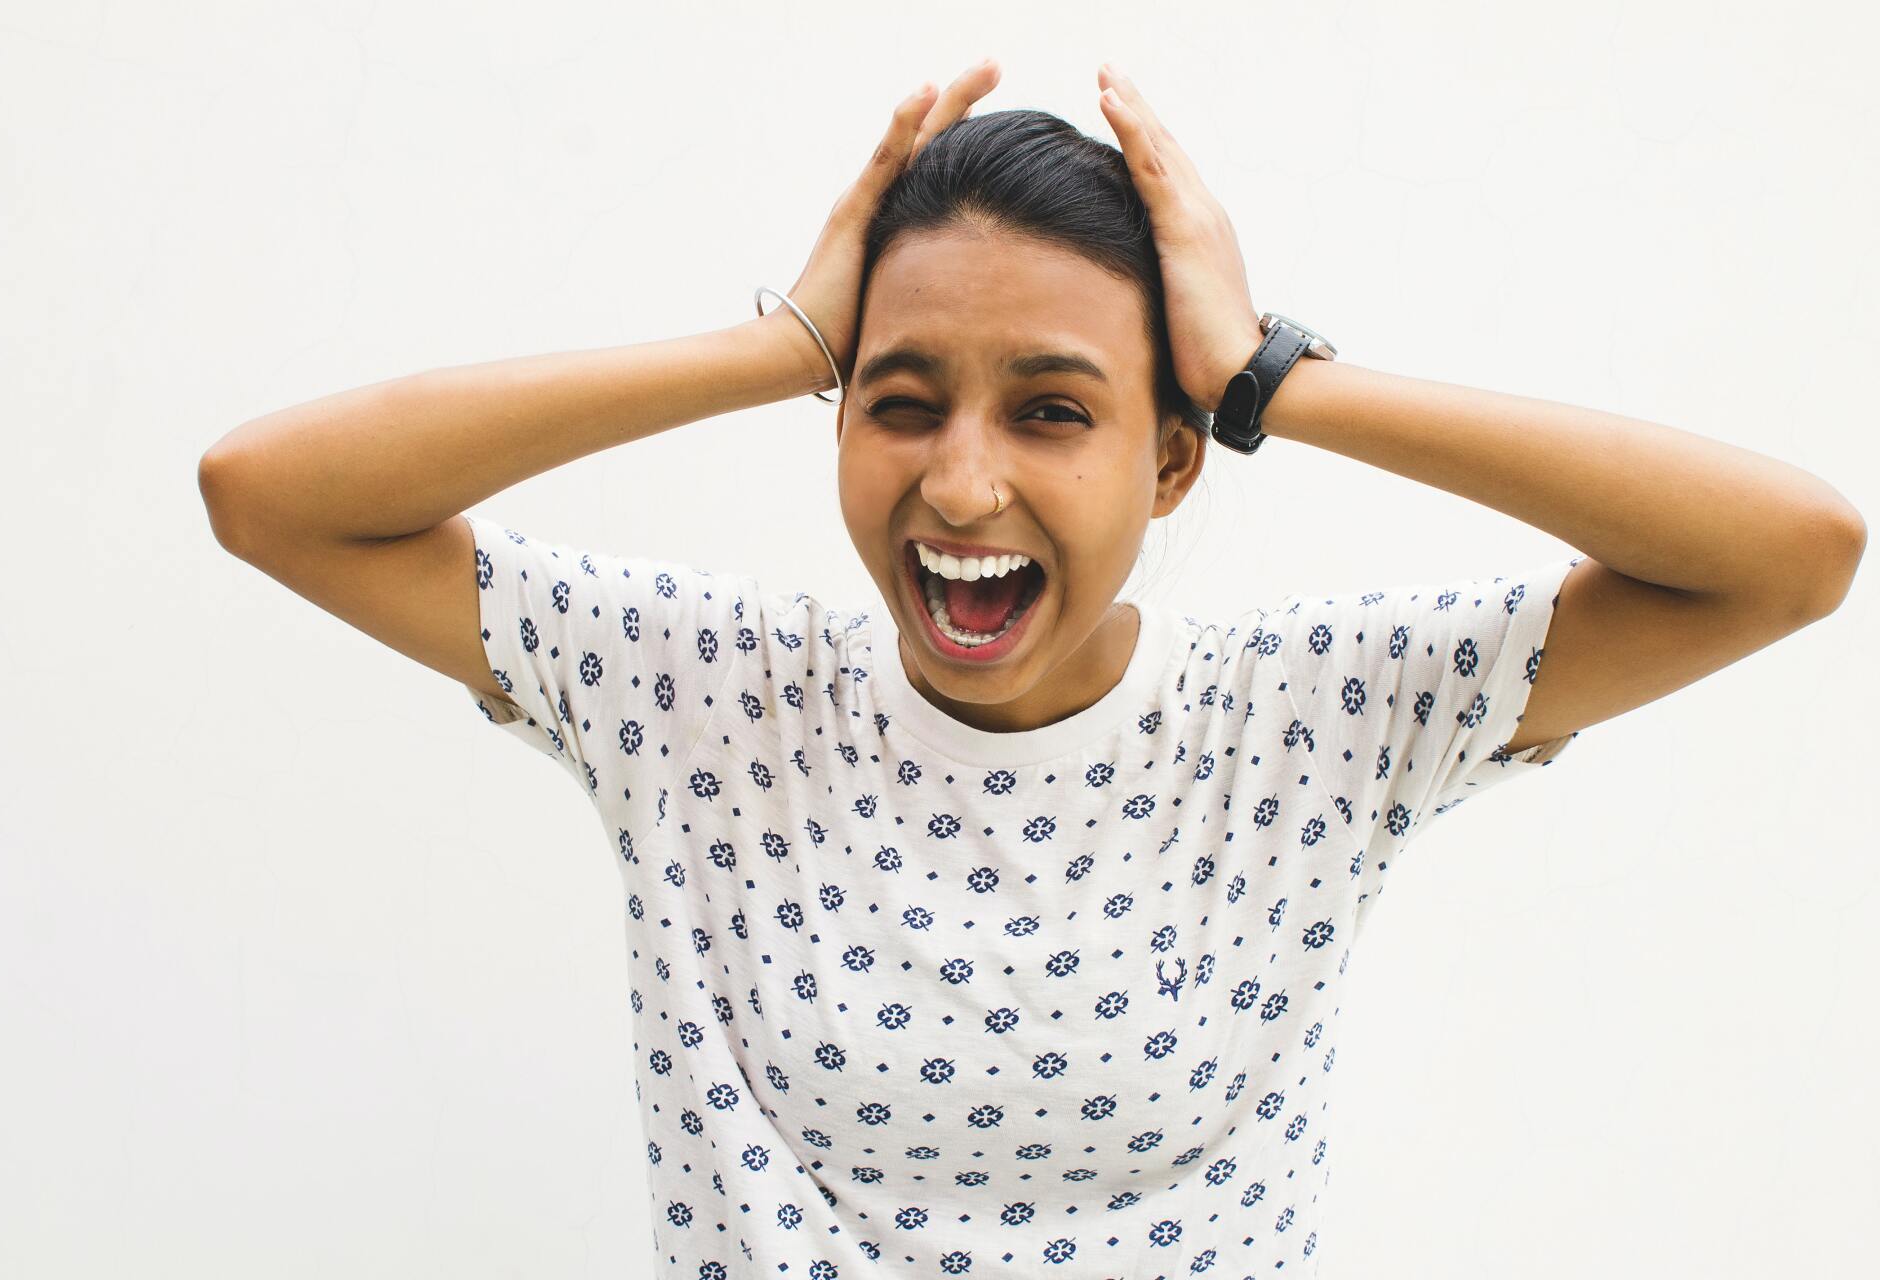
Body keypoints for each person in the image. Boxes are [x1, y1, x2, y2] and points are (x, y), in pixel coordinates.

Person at [198, 59, 1863, 1280]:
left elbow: (1790, 554)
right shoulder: (698, 694)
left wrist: (1270, 374)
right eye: (901, 399)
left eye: (1055, 410)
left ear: (1173, 462)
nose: (963, 486)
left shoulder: (1310, 725)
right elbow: (268, 495)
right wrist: (770, 346)